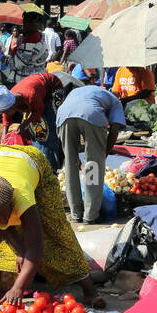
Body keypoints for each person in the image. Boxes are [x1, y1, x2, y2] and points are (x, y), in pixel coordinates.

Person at [0, 144, 104, 307]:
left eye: (2, 215)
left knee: (56, 229)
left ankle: (90, 292)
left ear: (12, 203)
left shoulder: (22, 198)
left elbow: (36, 248)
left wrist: (18, 287)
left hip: (33, 162)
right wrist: (20, 248)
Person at [56, 84, 124, 223]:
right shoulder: (115, 101)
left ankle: (75, 214)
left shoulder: (79, 91)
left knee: (70, 164)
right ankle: (90, 215)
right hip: (91, 113)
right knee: (93, 164)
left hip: (63, 115)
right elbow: (115, 130)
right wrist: (103, 153)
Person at [0, 71, 67, 168]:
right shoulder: (9, 101)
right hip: (37, 94)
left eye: (7, 111)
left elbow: (38, 111)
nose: (5, 113)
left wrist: (25, 124)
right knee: (34, 130)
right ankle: (41, 158)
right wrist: (4, 136)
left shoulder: (31, 95)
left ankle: (53, 164)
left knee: (47, 131)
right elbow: (6, 119)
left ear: (13, 106)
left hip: (52, 87)